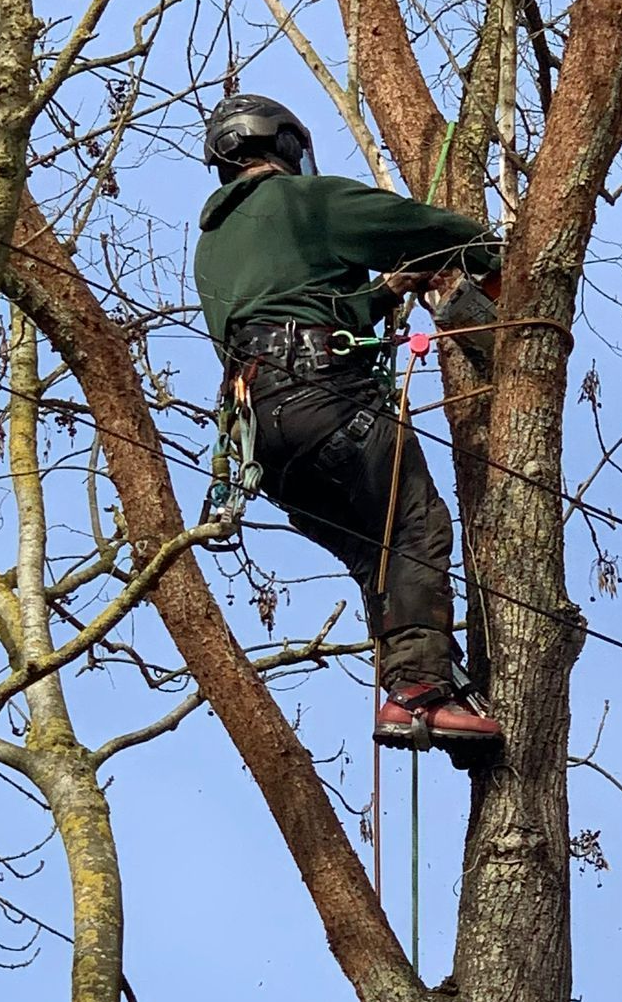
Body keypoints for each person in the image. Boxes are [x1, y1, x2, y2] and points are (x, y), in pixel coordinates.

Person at [193, 93, 505, 761]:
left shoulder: (212, 247)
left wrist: (385, 295)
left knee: (378, 553)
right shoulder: (307, 201)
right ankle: (421, 686)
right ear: (280, 145)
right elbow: (419, 224)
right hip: (327, 403)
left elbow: (288, 313)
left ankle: (419, 680)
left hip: (263, 444)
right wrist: (496, 254)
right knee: (415, 521)